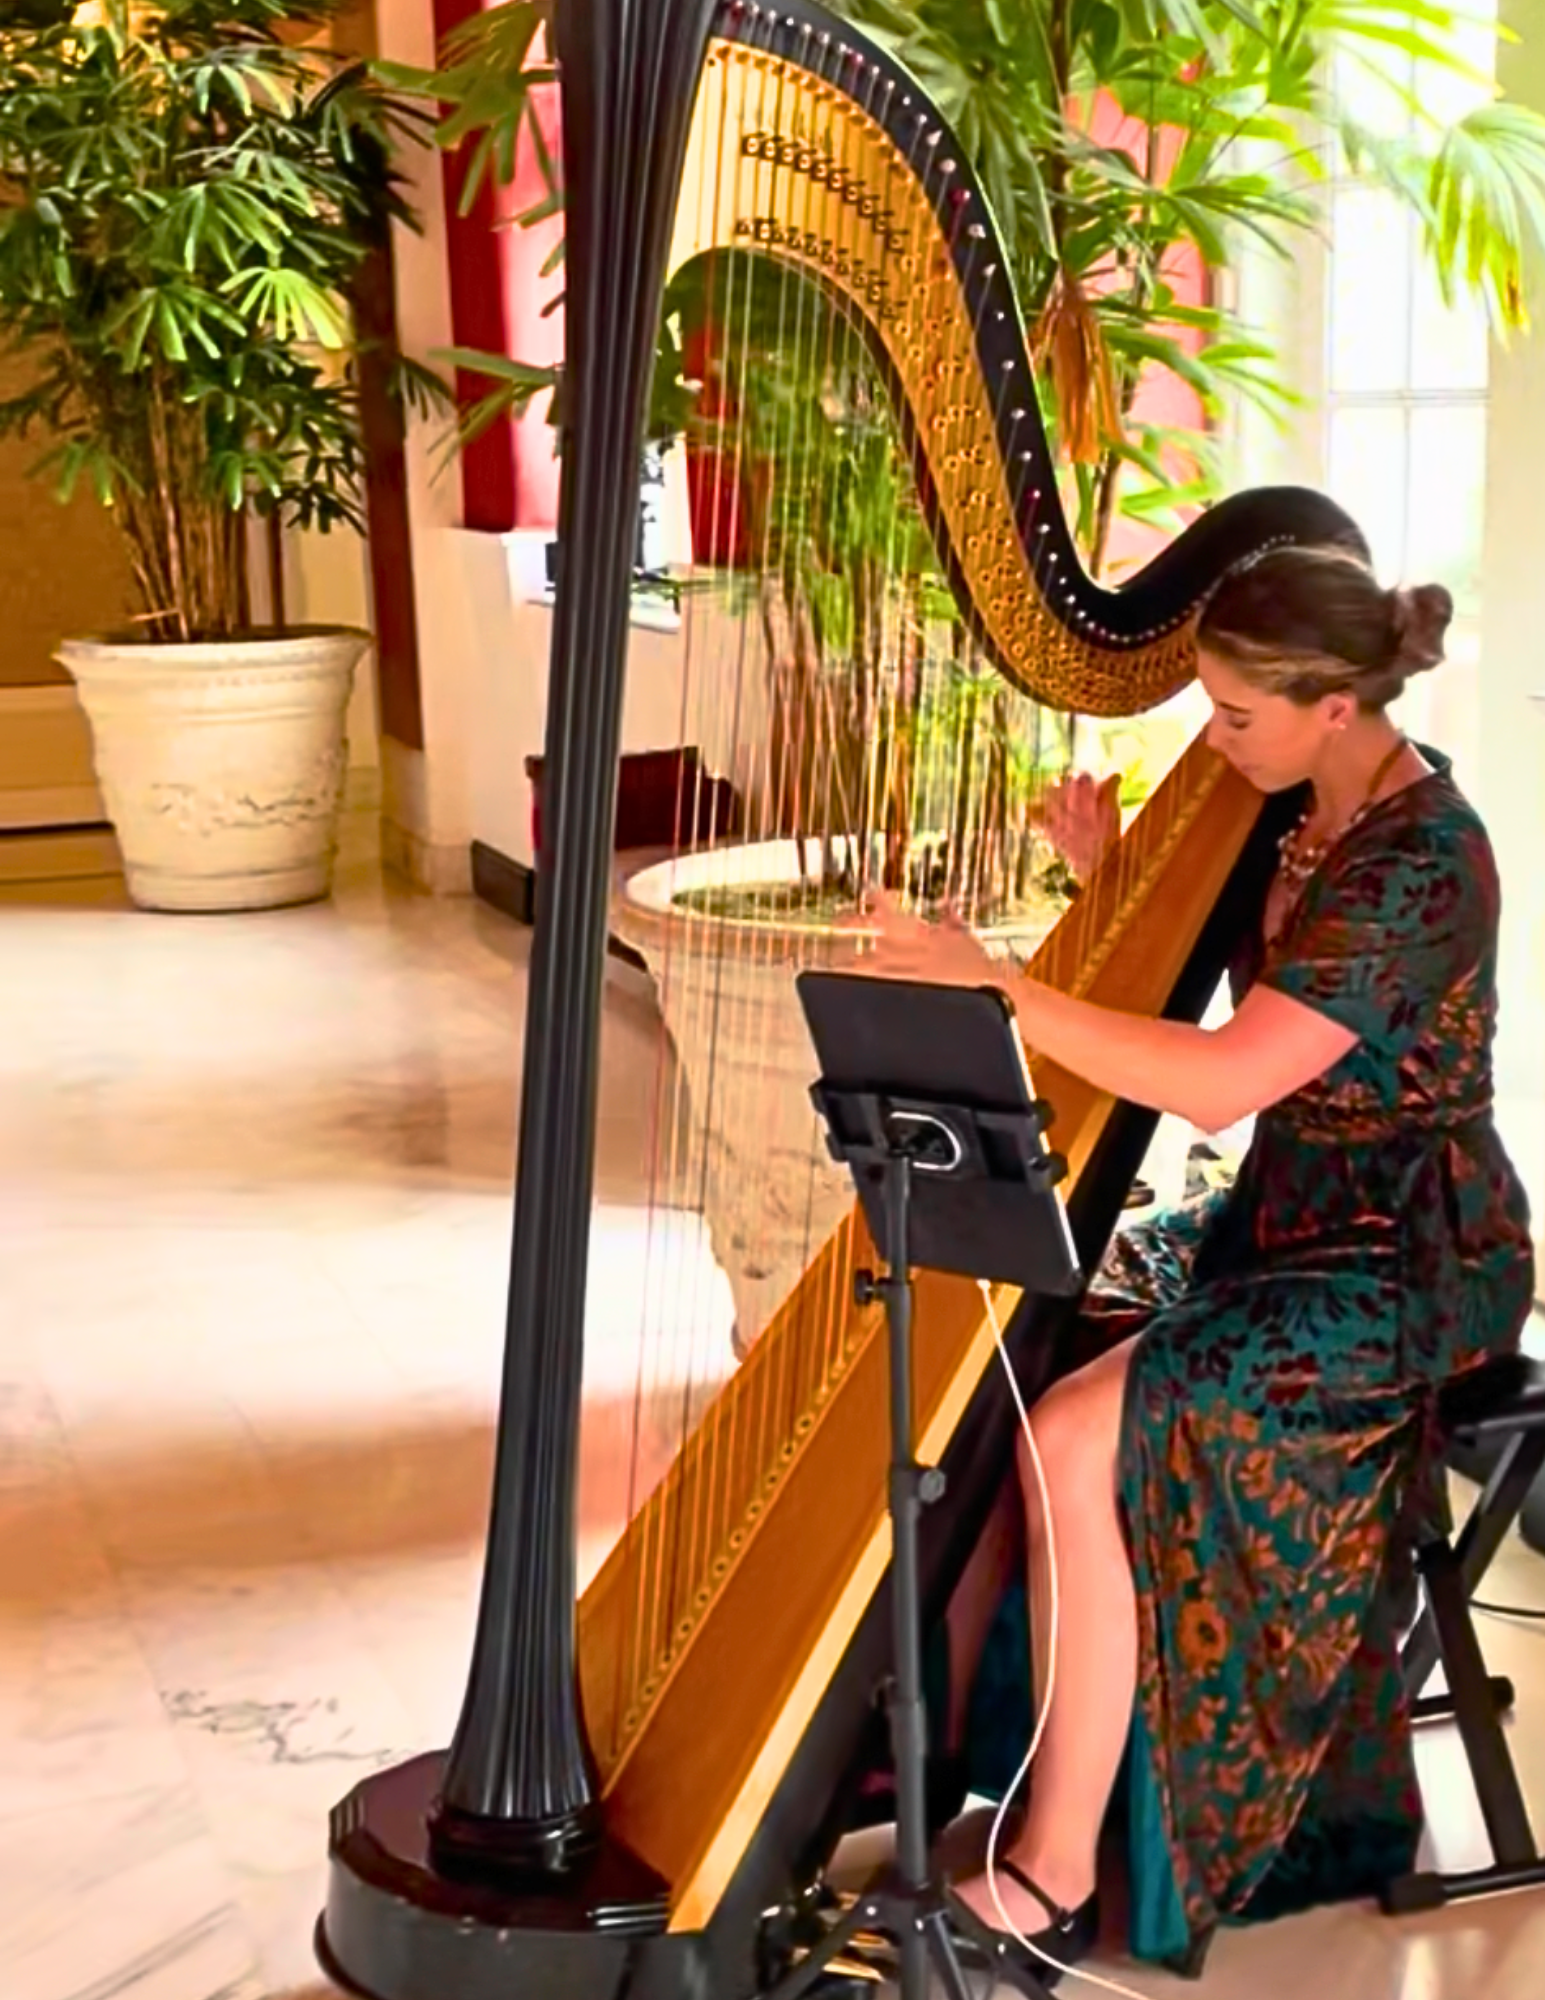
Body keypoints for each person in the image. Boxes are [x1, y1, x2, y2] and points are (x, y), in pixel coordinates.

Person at [850, 544, 1536, 1984]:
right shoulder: (1296, 804)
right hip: (1282, 1220)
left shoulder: (1427, 860)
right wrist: (1112, 871)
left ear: (1336, 706)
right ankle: (965, 1746)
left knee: (1083, 1429)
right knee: (1021, 1333)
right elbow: (1267, 998)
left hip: (1402, 1259)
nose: (1208, 742)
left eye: (1232, 718)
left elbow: (1229, 1080)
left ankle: (1048, 1875)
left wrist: (1004, 989)